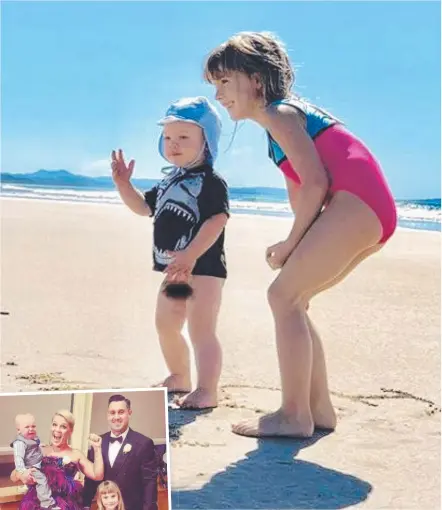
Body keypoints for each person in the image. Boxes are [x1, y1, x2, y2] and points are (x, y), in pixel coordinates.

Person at [204, 31, 397, 438]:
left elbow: (315, 184)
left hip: (357, 204)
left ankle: (294, 415)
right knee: (296, 298)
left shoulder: (281, 114)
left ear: (256, 79)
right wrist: (298, 244)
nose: (219, 95)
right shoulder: (276, 131)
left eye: (224, 82)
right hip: (367, 209)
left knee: (282, 296)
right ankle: (317, 409)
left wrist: (291, 244)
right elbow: (302, 196)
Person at [111, 96, 229, 409]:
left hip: (202, 270)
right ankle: (179, 376)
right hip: (175, 271)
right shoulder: (168, 182)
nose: (173, 144)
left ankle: (207, 390)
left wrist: (190, 254)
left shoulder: (210, 182)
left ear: (207, 142)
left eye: (183, 137)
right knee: (167, 323)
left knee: (201, 328)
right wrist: (124, 184)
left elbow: (218, 219)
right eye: (167, 138)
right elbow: (143, 207)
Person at [10, 410, 104, 510]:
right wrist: (22, 475)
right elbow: (13, 477)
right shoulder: (40, 450)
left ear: (70, 431)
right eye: (55, 424)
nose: (57, 430)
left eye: (63, 426)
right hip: (36, 504)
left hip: (66, 506)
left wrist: (97, 449)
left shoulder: (76, 454)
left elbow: (97, 475)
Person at [82, 394, 158, 510]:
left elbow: (150, 484)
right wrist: (85, 505)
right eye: (112, 413)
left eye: (121, 412)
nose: (116, 417)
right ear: (107, 415)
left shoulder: (144, 443)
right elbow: (90, 480)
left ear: (129, 413)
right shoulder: (98, 443)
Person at [11, 414, 60, 510]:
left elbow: (34, 446)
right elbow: (18, 459)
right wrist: (22, 472)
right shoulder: (20, 443)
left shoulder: (32, 438)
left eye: (33, 426)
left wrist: (41, 445)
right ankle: (47, 504)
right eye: (27, 427)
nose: (31, 429)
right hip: (31, 467)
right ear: (18, 430)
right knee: (42, 479)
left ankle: (28, 487)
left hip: (38, 462)